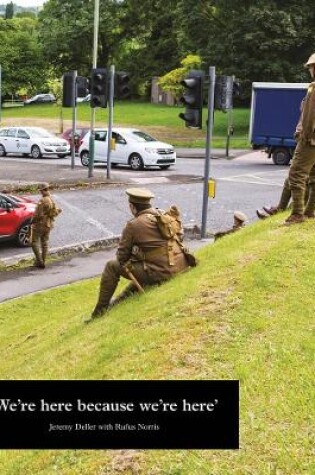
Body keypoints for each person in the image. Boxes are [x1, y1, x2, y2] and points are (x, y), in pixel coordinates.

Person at [86, 188, 196, 322]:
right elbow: (179, 237)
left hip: (164, 271)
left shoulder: (133, 225)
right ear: (148, 203)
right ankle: (117, 303)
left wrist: (136, 253)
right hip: (181, 264)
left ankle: (98, 312)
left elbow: (121, 258)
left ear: (132, 207)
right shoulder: (163, 215)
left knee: (112, 266)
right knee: (142, 268)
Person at [285, 53, 315, 224]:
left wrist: (305, 136)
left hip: (310, 141)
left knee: (296, 174)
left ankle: (297, 214)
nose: (310, 70)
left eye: (311, 67)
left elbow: (309, 117)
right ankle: (310, 211)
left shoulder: (313, 89)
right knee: (314, 176)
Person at [31, 183, 61, 269]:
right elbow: (55, 211)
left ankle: (39, 261)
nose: (40, 192)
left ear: (43, 190)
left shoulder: (43, 200)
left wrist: (32, 221)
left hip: (40, 225)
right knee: (44, 243)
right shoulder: (51, 198)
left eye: (41, 190)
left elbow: (38, 215)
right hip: (49, 224)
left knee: (33, 242)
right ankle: (43, 261)